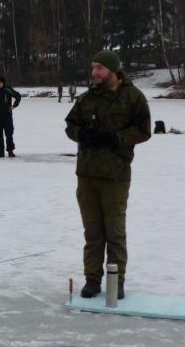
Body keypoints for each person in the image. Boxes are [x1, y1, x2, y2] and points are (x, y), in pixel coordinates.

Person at [64, 50, 151, 300]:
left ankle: (116, 280)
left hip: (115, 175)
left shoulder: (133, 97)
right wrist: (83, 134)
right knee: (92, 233)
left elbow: (144, 130)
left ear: (113, 70)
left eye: (99, 68)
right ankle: (92, 280)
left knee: (114, 232)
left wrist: (117, 138)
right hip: (87, 174)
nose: (94, 73)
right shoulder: (86, 99)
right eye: (93, 68)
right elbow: (70, 126)